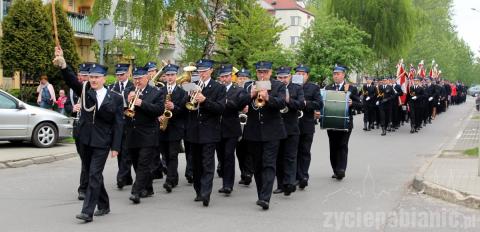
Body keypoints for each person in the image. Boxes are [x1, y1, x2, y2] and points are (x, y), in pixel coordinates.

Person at [53, 47, 124, 223]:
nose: (93, 80)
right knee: (93, 174)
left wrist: (116, 147)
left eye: (96, 77)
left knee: (93, 174)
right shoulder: (85, 90)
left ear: (104, 79)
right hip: (84, 139)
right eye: (91, 77)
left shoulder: (115, 97)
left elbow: (119, 124)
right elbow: (71, 80)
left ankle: (87, 211)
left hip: (102, 142)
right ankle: (105, 203)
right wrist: (63, 64)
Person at [243, 61, 287, 210]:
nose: (262, 75)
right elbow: (238, 103)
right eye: (260, 72)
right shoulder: (249, 86)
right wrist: (251, 95)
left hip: (272, 132)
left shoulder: (279, 86)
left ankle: (265, 198)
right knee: (257, 165)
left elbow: (281, 103)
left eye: (265, 72)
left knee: (268, 164)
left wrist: (267, 98)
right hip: (253, 132)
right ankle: (261, 193)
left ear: (270, 72)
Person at [185, 59, 226, 207]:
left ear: (211, 71)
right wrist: (188, 95)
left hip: (209, 131)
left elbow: (220, 108)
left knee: (208, 163)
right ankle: (198, 191)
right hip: (193, 131)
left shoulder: (218, 87)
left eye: (204, 70)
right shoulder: (193, 85)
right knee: (196, 164)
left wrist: (205, 100)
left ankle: (206, 193)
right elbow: (185, 106)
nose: (201, 73)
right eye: (199, 71)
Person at [125, 66, 164, 204]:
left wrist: (141, 103)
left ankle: (136, 192)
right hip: (132, 133)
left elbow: (159, 110)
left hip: (148, 133)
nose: (137, 81)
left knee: (143, 163)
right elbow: (122, 110)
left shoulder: (156, 92)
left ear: (147, 78)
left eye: (140, 78)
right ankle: (148, 187)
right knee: (136, 162)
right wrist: (126, 101)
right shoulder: (128, 91)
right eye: (135, 78)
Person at [324, 64, 362, 180]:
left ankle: (341, 169)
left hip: (345, 122)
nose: (335, 76)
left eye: (338, 74)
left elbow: (361, 105)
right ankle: (335, 169)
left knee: (342, 145)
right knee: (333, 146)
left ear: (343, 75)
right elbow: (323, 104)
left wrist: (352, 104)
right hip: (331, 122)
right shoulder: (328, 88)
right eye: (334, 74)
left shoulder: (351, 88)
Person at [216, 64, 248, 195]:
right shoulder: (216, 89)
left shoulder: (238, 90)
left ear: (231, 77)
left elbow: (238, 105)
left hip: (231, 128)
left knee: (229, 155)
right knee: (221, 157)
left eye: (226, 76)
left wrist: (226, 101)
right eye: (222, 76)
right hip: (217, 128)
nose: (224, 79)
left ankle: (228, 185)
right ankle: (225, 179)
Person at [274, 66, 304, 196]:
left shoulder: (297, 88)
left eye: (285, 77)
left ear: (290, 77)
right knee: (278, 158)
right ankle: (280, 184)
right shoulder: (273, 87)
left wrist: (288, 100)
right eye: (280, 77)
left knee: (290, 157)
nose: (283, 80)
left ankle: (289, 183)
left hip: (291, 127)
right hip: (276, 128)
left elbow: (301, 104)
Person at [157, 64, 188, 193]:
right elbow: (156, 107)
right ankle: (174, 177)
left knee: (173, 155)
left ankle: (169, 180)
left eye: (172, 75)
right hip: (163, 127)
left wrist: (174, 107)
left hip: (175, 128)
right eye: (167, 75)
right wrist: (158, 116)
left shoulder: (182, 92)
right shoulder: (160, 91)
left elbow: (185, 111)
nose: (169, 77)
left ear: (176, 76)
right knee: (165, 154)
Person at [108, 63, 135, 190]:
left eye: (122, 74)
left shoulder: (134, 86)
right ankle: (127, 177)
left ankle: (121, 176)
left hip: (130, 122)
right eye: (117, 74)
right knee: (119, 150)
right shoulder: (112, 87)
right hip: (117, 123)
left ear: (128, 74)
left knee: (127, 151)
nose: (119, 77)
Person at [295, 64, 321, 189]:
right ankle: (294, 176)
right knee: (292, 152)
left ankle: (303, 176)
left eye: (302, 74)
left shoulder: (313, 88)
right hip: (291, 124)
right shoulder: (289, 87)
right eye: (298, 74)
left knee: (305, 151)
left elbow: (319, 103)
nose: (300, 76)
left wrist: (306, 103)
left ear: (307, 75)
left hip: (306, 124)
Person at [236, 69, 254, 186]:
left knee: (249, 150)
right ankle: (243, 172)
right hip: (236, 123)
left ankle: (248, 173)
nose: (242, 80)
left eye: (244, 78)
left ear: (249, 79)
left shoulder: (251, 89)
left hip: (249, 123)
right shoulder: (234, 90)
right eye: (240, 78)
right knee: (239, 151)